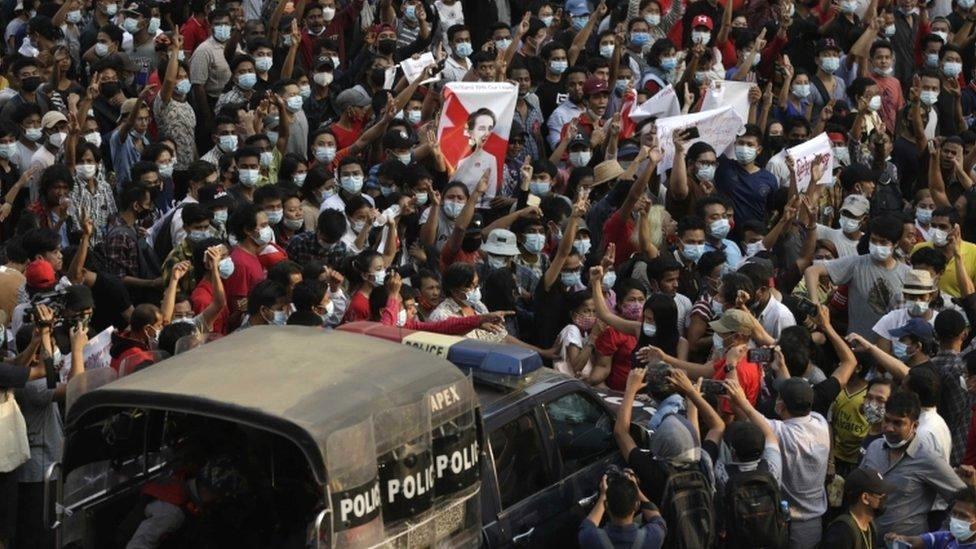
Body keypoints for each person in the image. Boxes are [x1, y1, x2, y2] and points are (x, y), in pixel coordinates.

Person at [860, 391, 967, 539]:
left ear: (914, 425)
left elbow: (963, 500)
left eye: (898, 423)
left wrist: (941, 537)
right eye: (887, 420)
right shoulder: (874, 447)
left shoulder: (929, 459)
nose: (889, 428)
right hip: (866, 539)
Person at [577, 468, 667, 549]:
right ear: (636, 505)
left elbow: (588, 525)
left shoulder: (590, 539)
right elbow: (657, 518)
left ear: (606, 506)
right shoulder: (654, 536)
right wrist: (636, 489)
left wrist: (603, 496)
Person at [821, 468, 897, 548]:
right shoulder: (841, 533)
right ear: (865, 498)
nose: (885, 498)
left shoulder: (869, 526)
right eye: (881, 494)